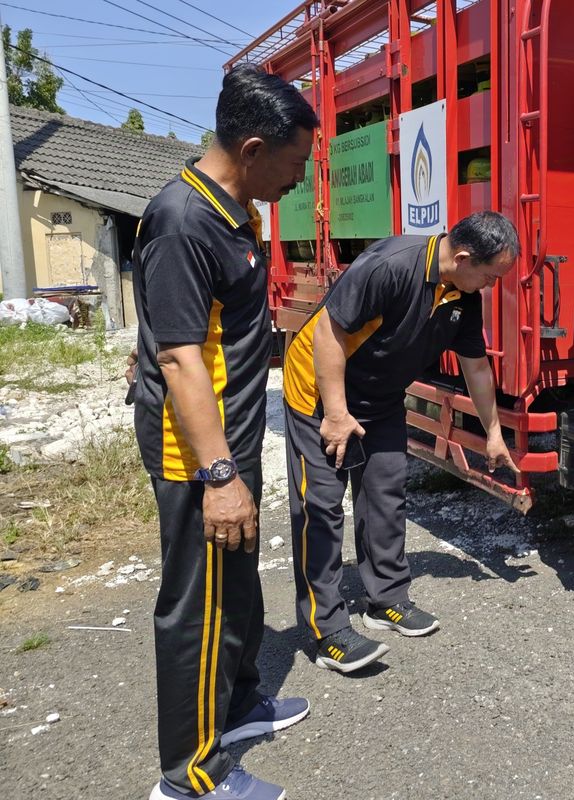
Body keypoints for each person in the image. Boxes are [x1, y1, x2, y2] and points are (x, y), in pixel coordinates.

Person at [132, 66, 318, 800]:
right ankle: (188, 779)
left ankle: (239, 706)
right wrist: (218, 477)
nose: (298, 180)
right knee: (197, 606)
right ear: (250, 148)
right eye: (295, 165)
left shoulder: (234, 209)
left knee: (237, 582)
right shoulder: (183, 220)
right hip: (196, 453)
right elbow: (179, 359)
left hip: (231, 438)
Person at [282, 212, 521, 674]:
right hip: (319, 391)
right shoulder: (392, 264)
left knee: (386, 495)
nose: (491, 286)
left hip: (381, 396)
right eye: (490, 276)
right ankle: (326, 630)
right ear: (465, 257)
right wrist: (335, 414)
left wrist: (493, 433)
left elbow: (475, 367)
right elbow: (329, 333)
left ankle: (385, 600)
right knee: (322, 508)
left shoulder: (463, 293)